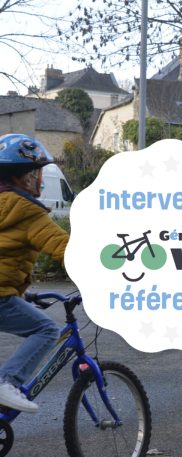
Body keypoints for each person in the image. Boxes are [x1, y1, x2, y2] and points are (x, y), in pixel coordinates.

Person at [0, 134, 70, 413]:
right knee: (46, 329)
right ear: (23, 177)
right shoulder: (28, 212)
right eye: (36, 172)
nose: (38, 179)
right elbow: (66, 249)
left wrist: (23, 293)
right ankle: (7, 381)